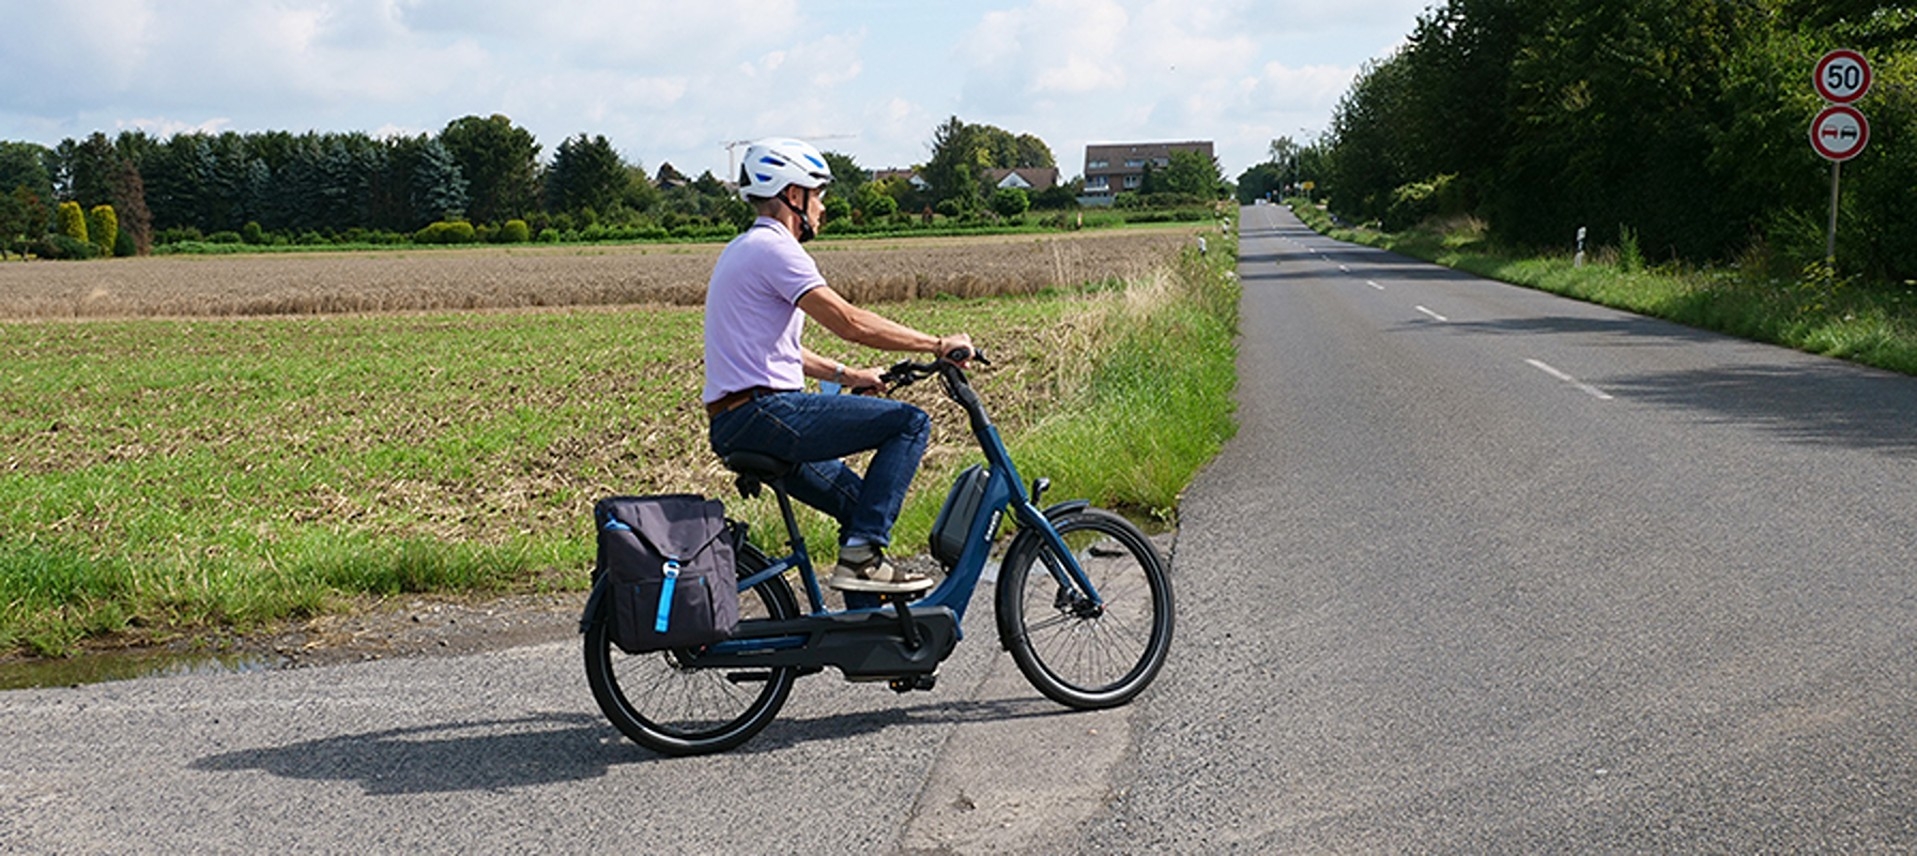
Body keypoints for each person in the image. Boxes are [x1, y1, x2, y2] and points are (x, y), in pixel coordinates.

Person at [703, 137, 972, 595]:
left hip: (741, 418)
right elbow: (849, 321)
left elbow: (779, 352)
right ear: (793, 196)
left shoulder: (742, 248)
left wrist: (851, 377)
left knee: (855, 506)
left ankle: (872, 646)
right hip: (766, 414)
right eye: (818, 194)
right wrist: (937, 343)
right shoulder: (775, 248)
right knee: (909, 423)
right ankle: (864, 557)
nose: (823, 207)